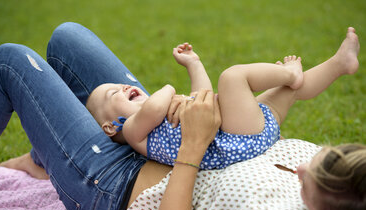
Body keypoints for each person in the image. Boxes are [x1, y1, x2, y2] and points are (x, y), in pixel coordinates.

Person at [0, 23, 363, 210]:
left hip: (115, 186)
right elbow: (253, 129)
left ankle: (54, 157)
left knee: (10, 61)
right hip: (161, 140)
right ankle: (44, 157)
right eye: (321, 161)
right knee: (67, 39)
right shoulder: (347, 177)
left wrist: (191, 145)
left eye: (314, 180)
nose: (304, 167)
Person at [85, 41, 305, 170]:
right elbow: (153, 108)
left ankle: (286, 75)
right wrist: (170, 89)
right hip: (239, 144)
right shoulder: (134, 130)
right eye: (113, 92)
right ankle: (288, 74)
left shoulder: (163, 118)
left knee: (237, 87)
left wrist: (194, 64)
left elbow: (203, 98)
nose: (124, 86)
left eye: (121, 84)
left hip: (241, 141)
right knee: (232, 77)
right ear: (110, 127)